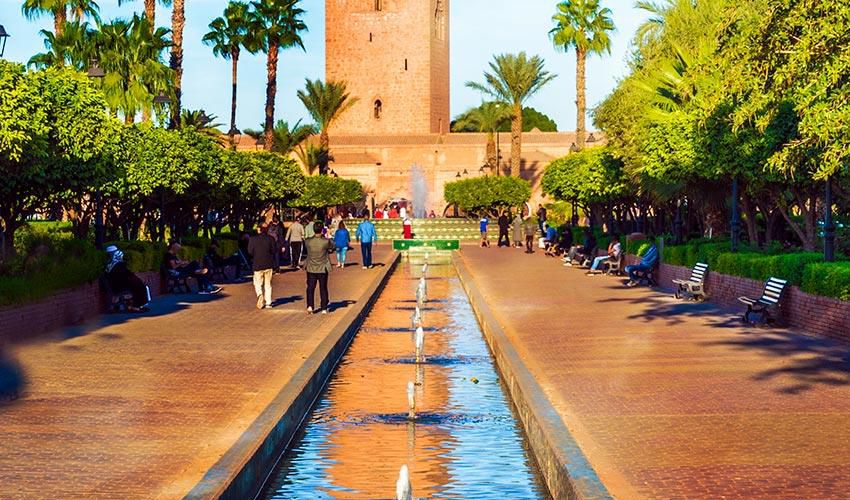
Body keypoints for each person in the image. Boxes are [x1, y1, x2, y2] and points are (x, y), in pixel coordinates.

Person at [105, 245, 150, 312]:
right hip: (118, 285)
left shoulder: (110, 264)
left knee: (138, 285)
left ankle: (134, 306)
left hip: (117, 284)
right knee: (140, 287)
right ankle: (135, 306)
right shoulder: (118, 265)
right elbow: (125, 275)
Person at [305, 221, 335, 314]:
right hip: (322, 267)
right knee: (323, 287)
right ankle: (324, 307)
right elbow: (332, 246)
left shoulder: (308, 241)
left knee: (310, 287)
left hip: (311, 267)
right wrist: (327, 236)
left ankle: (310, 306)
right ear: (322, 230)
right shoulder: (325, 241)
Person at [248, 224, 277, 309]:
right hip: (268, 263)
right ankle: (268, 302)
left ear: (259, 229)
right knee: (268, 284)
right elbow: (274, 250)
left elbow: (250, 251)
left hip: (257, 264)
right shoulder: (271, 239)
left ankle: (260, 294)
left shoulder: (253, 239)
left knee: (257, 283)